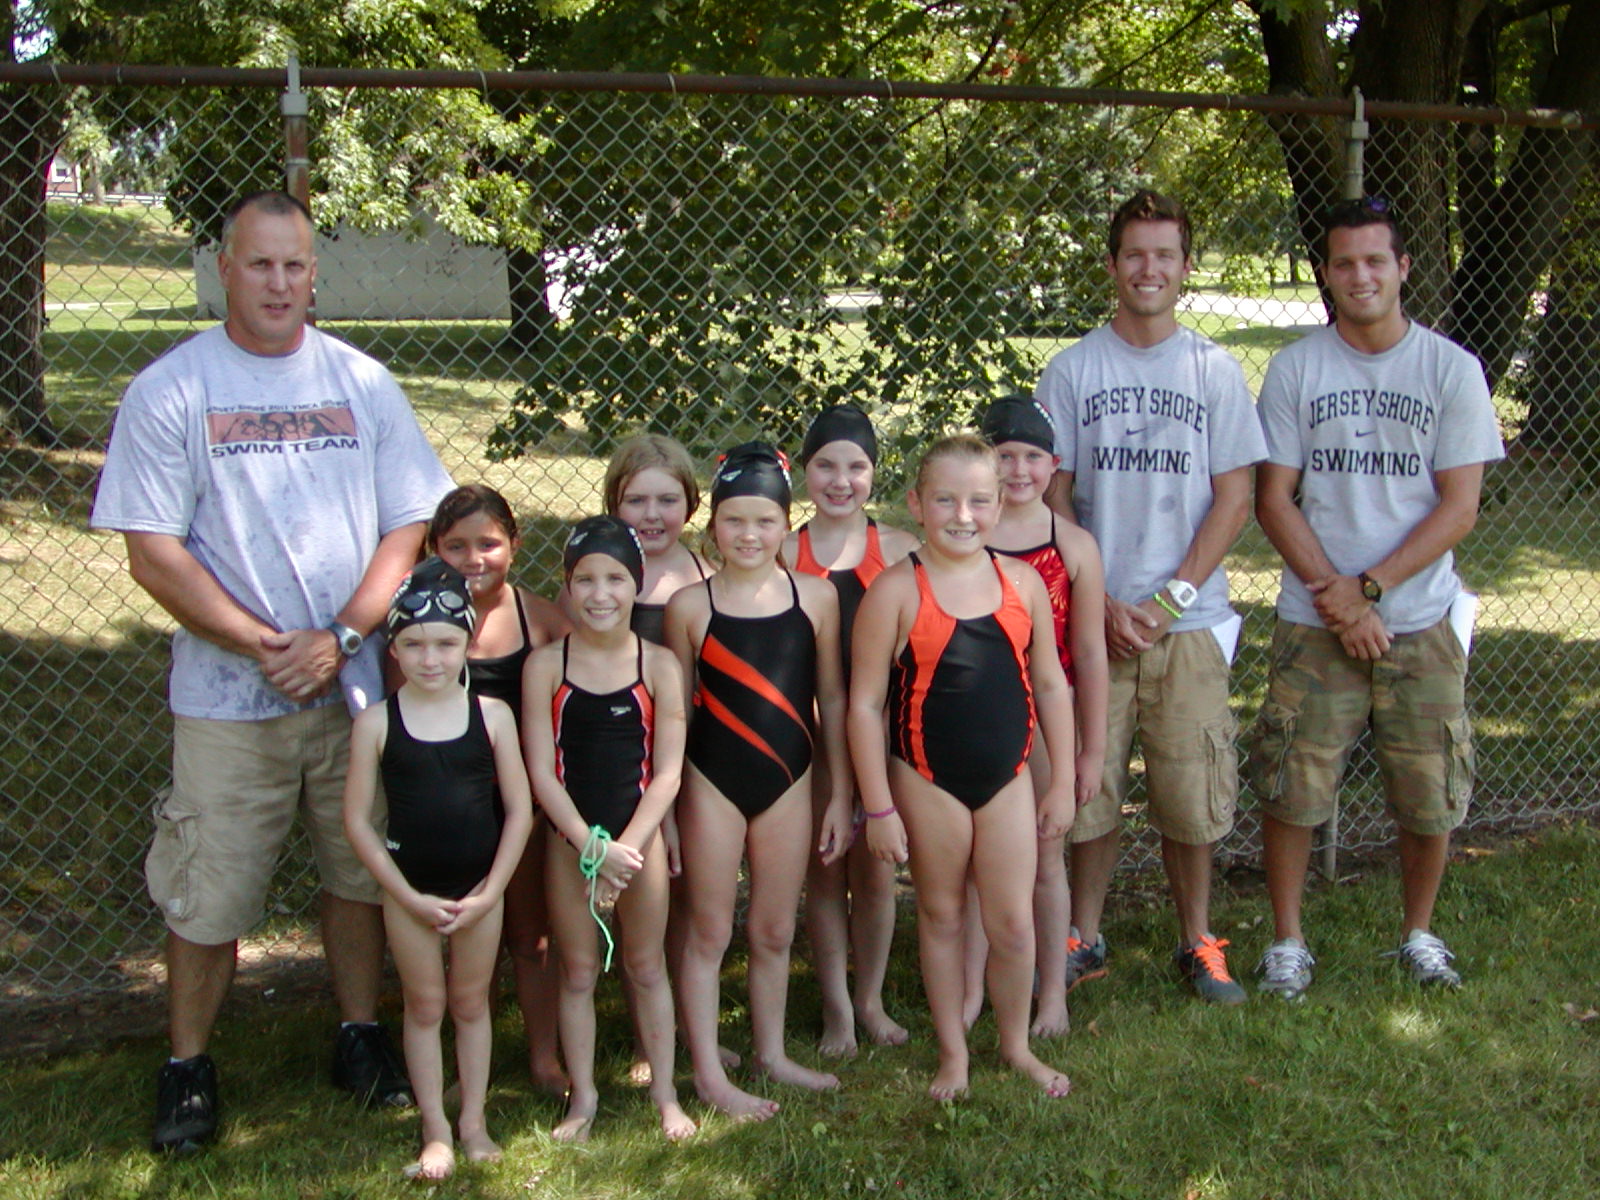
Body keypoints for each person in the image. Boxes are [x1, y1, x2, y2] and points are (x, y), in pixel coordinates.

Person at [89, 190, 453, 1154]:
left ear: (314, 275)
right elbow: (153, 553)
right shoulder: (173, 390)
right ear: (223, 268)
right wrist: (262, 643)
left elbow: (407, 526)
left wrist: (339, 634)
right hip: (225, 699)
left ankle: (359, 1037)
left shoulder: (363, 384)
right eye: (260, 265)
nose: (279, 283)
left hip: (356, 685)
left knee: (360, 871)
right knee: (210, 889)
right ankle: (187, 1068)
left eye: (295, 266)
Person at [1248, 197, 1505, 998]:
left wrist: (1372, 591)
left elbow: (1459, 505)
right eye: (1344, 263)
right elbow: (1273, 498)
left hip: (1420, 620)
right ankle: (1287, 941)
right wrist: (1339, 600)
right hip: (1315, 620)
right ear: (1326, 275)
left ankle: (1418, 934)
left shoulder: (1450, 369)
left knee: (1429, 791)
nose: (1360, 275)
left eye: (1374, 261)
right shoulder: (1297, 368)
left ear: (1403, 268)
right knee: (1292, 784)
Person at [1034, 189, 1266, 1004]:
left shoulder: (1212, 369)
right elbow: (1050, 496)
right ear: (1111, 265)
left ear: (1186, 269)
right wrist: (1095, 598)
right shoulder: (1071, 370)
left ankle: (1198, 939)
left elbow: (1235, 498)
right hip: (1092, 624)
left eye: (1165, 254)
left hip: (1188, 622)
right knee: (1089, 789)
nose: (1149, 268)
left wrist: (1167, 602)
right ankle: (1082, 934)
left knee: (1189, 791)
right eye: (1135, 253)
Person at [851, 434, 1076, 1099]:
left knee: (1012, 922)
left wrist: (1060, 779)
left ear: (1001, 504)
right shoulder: (896, 590)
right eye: (945, 499)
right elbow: (863, 706)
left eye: (979, 500)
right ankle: (954, 1054)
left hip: (1007, 779)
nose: (963, 515)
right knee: (943, 916)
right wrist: (879, 806)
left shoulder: (1023, 583)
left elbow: (1053, 685)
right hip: (925, 780)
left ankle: (1015, 1045)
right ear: (917, 505)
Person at [664, 442, 853, 1120]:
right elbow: (675, 716)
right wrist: (665, 812)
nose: (749, 535)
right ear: (712, 526)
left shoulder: (818, 599)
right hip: (710, 783)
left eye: (764, 522)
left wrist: (843, 794)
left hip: (792, 781)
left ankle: (770, 1052)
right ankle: (710, 1072)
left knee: (773, 929)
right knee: (709, 931)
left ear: (785, 523)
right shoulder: (690, 607)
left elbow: (832, 701)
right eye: (734, 521)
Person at [343, 560, 533, 1181]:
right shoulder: (377, 723)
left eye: (446, 643)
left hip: (482, 888)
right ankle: (435, 1129)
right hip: (409, 892)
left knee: (471, 1004)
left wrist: (491, 891)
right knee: (425, 1006)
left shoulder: (492, 717)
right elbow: (357, 824)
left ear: (467, 643)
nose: (430, 658)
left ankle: (473, 1121)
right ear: (393, 647)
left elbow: (520, 813)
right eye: (415, 644)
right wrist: (400, 894)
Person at [523, 516, 697, 1142]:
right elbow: (541, 772)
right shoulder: (546, 666)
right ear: (567, 588)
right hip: (570, 842)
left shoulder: (660, 665)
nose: (600, 594)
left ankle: (666, 1096)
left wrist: (626, 849)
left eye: (615, 579)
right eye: (585, 580)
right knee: (576, 970)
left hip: (637, 844)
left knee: (647, 967)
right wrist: (587, 843)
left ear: (636, 583)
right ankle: (584, 1098)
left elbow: (669, 773)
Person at [785, 404, 920, 1058]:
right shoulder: (785, 554)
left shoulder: (899, 552)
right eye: (825, 465)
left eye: (856, 467)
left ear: (875, 473)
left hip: (881, 738)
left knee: (874, 874)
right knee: (824, 869)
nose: (840, 480)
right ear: (805, 471)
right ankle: (835, 1006)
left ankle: (870, 997)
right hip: (808, 741)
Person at [972, 395, 1109, 1037]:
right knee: (978, 864)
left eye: (1032, 457)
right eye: (1004, 456)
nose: (1019, 470)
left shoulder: (1073, 546)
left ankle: (1051, 991)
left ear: (1054, 465)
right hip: (973, 720)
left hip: (1045, 723)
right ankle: (972, 990)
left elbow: (1087, 653)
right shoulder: (964, 538)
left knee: (1047, 861)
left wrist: (1090, 751)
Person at [428, 485, 571, 1094]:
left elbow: (575, 702)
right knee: (467, 936)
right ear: (434, 550)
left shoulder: (538, 619)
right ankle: (470, 1070)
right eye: (455, 546)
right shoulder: (421, 626)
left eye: (488, 543)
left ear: (514, 545)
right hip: (453, 808)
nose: (473, 558)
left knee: (531, 936)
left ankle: (543, 1058)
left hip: (528, 807)